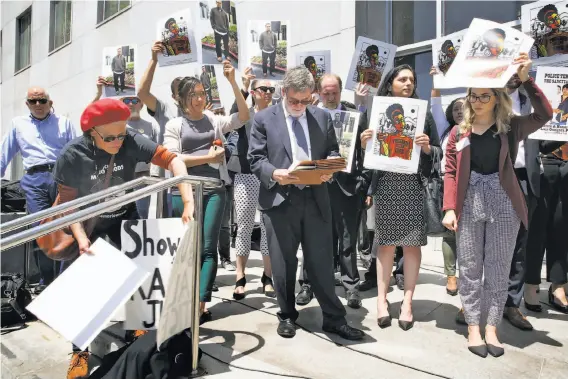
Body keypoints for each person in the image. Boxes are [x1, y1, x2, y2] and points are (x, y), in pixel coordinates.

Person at [55, 98, 194, 379]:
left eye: (122, 134)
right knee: (86, 291)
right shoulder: (72, 154)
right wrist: (81, 239)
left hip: (124, 216)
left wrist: (188, 198)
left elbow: (172, 159)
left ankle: (137, 331)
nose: (118, 141)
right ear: (90, 132)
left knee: (139, 275)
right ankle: (79, 352)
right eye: (109, 137)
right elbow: (67, 206)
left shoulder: (130, 138)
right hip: (89, 222)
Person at [442, 53, 553, 357]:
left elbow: (544, 114)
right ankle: (473, 327)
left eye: (483, 96)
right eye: (473, 96)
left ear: (496, 98)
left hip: (504, 201)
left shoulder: (510, 127)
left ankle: (492, 326)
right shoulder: (458, 132)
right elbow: (450, 171)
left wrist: (527, 79)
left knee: (499, 267)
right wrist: (449, 207)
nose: (477, 102)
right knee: (469, 266)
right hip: (469, 201)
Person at [248, 66, 364, 341]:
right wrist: (276, 173)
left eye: (305, 100)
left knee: (322, 261)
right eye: (294, 100)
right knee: (283, 263)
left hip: (316, 198)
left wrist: (330, 169)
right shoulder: (265, 119)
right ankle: (287, 315)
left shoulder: (322, 117)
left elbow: (334, 151)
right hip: (280, 200)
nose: (299, 106)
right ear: (284, 92)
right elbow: (255, 159)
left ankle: (334, 319)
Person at [163, 60, 249, 325]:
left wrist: (234, 83)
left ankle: (200, 305)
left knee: (208, 249)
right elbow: (171, 158)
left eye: (202, 93)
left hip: (214, 190)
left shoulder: (213, 119)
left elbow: (243, 117)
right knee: (188, 249)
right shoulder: (174, 125)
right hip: (184, 192)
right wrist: (206, 157)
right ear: (182, 99)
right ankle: (185, 301)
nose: (200, 99)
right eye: (194, 95)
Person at [360, 65, 441, 331]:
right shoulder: (376, 113)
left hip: (413, 186)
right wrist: (364, 144)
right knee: (384, 245)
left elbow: (438, 151)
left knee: (411, 245)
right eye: (402, 79)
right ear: (390, 83)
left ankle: (407, 302)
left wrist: (428, 147)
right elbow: (367, 156)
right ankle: (382, 301)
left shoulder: (423, 113)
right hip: (386, 185)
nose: (408, 83)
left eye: (412, 80)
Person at [296, 75, 372, 309]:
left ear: (340, 91)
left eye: (334, 92)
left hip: (348, 185)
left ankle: (350, 286)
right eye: (326, 92)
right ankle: (308, 284)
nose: (330, 97)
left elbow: (366, 152)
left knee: (348, 239)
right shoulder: (308, 115)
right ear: (318, 91)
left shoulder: (354, 115)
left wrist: (365, 182)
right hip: (317, 184)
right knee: (313, 238)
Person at [0, 87, 77, 290]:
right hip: (35, 180)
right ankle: (47, 281)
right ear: (27, 104)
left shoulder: (64, 122)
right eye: (33, 101)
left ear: (50, 103)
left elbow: (76, 153)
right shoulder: (18, 125)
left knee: (67, 227)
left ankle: (64, 280)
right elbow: (3, 154)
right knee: (41, 230)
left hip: (62, 178)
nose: (38, 105)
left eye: (42, 100)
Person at [227, 70, 277, 300]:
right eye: (263, 89)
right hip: (246, 173)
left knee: (268, 227)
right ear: (255, 93)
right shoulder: (245, 114)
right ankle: (240, 276)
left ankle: (268, 277)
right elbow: (233, 113)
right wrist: (243, 86)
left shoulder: (279, 115)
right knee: (245, 225)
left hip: (269, 176)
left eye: (270, 90)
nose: (267, 93)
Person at [94, 80, 158, 219]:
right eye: (127, 100)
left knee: (143, 217)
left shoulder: (151, 126)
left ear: (141, 104)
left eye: (134, 100)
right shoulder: (114, 125)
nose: (130, 104)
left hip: (144, 177)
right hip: (120, 178)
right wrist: (99, 93)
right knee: (121, 216)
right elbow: (91, 117)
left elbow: (158, 152)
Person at [429, 66, 465, 297]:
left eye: (464, 107)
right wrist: (436, 80)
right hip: (447, 183)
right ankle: (451, 275)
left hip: (472, 185)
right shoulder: (445, 131)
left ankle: (469, 275)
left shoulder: (478, 129)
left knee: (470, 233)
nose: (460, 111)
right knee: (450, 232)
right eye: (456, 108)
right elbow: (434, 106)